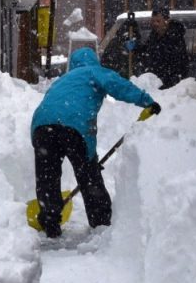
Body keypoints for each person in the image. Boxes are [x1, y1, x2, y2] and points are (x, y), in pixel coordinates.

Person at [31, 46, 160, 238]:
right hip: (74, 125)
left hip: (42, 126)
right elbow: (118, 86)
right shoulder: (93, 71)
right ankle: (101, 223)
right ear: (94, 60)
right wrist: (146, 101)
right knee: (88, 175)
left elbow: (52, 104)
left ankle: (49, 220)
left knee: (47, 176)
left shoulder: (63, 80)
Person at [131, 7, 189, 87]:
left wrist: (165, 80)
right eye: (153, 21)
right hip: (155, 83)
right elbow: (147, 50)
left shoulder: (175, 37)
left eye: (158, 21)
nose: (155, 24)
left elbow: (177, 64)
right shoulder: (154, 35)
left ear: (167, 21)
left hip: (172, 87)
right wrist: (135, 47)